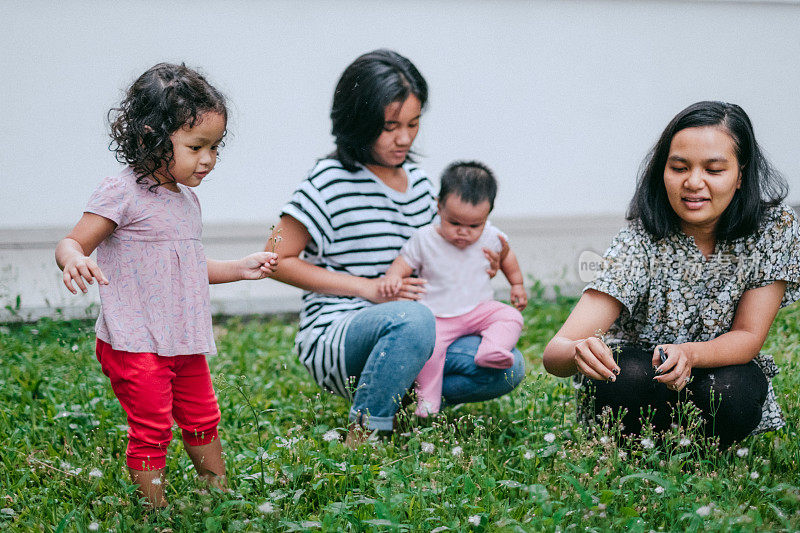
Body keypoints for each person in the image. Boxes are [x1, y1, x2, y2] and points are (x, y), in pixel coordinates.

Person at [268, 49, 525, 446]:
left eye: (413, 123)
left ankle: (395, 396)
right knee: (413, 319)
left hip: (420, 327)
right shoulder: (328, 181)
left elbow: (434, 252)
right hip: (341, 331)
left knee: (507, 366)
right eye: (390, 126)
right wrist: (366, 287)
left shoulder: (423, 186)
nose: (404, 138)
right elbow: (276, 259)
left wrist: (473, 263)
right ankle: (366, 431)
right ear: (358, 121)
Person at [55, 63, 278, 506]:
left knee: (203, 415)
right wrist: (74, 259)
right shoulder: (121, 193)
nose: (208, 159)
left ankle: (218, 495)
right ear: (150, 136)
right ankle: (156, 511)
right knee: (153, 425)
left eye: (215, 147)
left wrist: (240, 267)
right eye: (196, 146)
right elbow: (71, 241)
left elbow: (186, 266)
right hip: (135, 339)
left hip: (182, 337)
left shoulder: (186, 199)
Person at [543, 101, 798, 449]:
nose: (694, 183)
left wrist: (689, 355)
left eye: (714, 169)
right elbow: (555, 352)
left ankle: (701, 454)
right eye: (679, 167)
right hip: (640, 385)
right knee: (622, 376)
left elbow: (749, 335)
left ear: (741, 174)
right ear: (661, 171)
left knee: (732, 389)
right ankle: (644, 449)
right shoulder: (640, 240)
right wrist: (578, 351)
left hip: (717, 370)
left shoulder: (772, 229)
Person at [380, 161, 527, 416]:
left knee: (510, 316)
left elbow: (507, 257)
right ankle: (428, 402)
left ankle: (493, 349)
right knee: (430, 356)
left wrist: (517, 284)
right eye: (454, 222)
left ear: (487, 216)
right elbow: (404, 261)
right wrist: (393, 276)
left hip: (479, 309)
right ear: (439, 206)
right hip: (437, 317)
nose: (463, 232)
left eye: (474, 226)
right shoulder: (425, 239)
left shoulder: (492, 236)